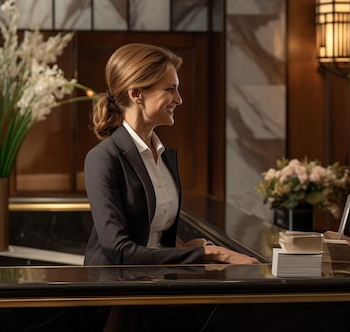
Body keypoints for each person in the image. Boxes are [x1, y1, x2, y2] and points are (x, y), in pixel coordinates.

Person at [84, 43, 258, 266]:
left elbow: (151, 237)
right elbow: (118, 251)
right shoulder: (103, 158)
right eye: (170, 89)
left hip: (158, 284)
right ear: (136, 93)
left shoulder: (164, 156)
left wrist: (183, 248)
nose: (179, 99)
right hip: (116, 292)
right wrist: (212, 254)